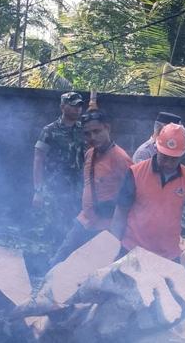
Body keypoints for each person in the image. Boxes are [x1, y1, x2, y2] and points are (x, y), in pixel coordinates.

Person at [110, 123, 185, 264]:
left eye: (173, 159)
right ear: (156, 148)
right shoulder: (135, 173)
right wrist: (112, 247)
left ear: (182, 154)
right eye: (164, 156)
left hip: (168, 257)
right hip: (131, 251)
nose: (168, 163)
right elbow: (120, 213)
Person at [51, 109, 133, 264]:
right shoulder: (89, 154)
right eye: (87, 133)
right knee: (58, 262)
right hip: (84, 221)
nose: (92, 137)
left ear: (107, 128)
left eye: (97, 131)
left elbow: (133, 194)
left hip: (105, 226)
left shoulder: (121, 159)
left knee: (89, 271)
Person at [32, 92, 86, 213]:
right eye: (73, 105)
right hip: (54, 190)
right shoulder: (49, 131)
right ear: (62, 107)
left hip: (78, 191)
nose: (77, 109)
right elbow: (38, 161)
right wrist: (38, 191)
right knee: (52, 228)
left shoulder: (83, 130)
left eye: (79, 106)